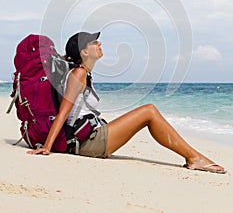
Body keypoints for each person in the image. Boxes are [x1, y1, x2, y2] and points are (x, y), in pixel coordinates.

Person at [28, 31, 226, 174]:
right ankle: (194, 158)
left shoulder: (82, 73)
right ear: (84, 52)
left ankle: (193, 157)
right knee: (149, 111)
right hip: (88, 143)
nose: (99, 43)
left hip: (87, 138)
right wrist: (47, 147)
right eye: (93, 42)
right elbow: (64, 113)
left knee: (148, 111)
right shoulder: (78, 74)